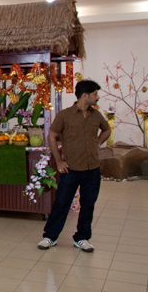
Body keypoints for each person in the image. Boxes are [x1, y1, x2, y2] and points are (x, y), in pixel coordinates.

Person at [38, 80, 110, 252]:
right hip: (70, 169)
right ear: (85, 96)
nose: (97, 97)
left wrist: (96, 143)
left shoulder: (96, 115)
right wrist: (59, 161)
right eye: (95, 94)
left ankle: (82, 238)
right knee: (61, 203)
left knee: (88, 204)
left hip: (92, 169)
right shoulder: (65, 115)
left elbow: (106, 130)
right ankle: (50, 236)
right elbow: (52, 135)